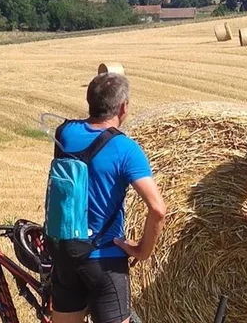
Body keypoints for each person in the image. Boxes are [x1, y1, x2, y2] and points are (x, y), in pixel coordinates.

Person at [51, 73, 166, 323]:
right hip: (104, 261)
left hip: (66, 254)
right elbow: (158, 208)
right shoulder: (125, 149)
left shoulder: (65, 133)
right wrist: (142, 250)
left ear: (88, 100)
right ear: (123, 107)